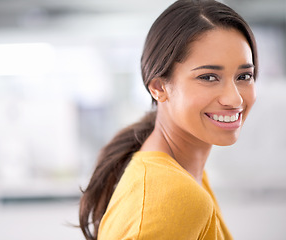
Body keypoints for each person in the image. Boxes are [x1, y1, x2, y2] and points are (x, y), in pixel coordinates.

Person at [79, 0, 258, 239]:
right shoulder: (175, 195)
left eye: (244, 76)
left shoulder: (185, 174)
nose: (234, 99)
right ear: (158, 87)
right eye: (208, 77)